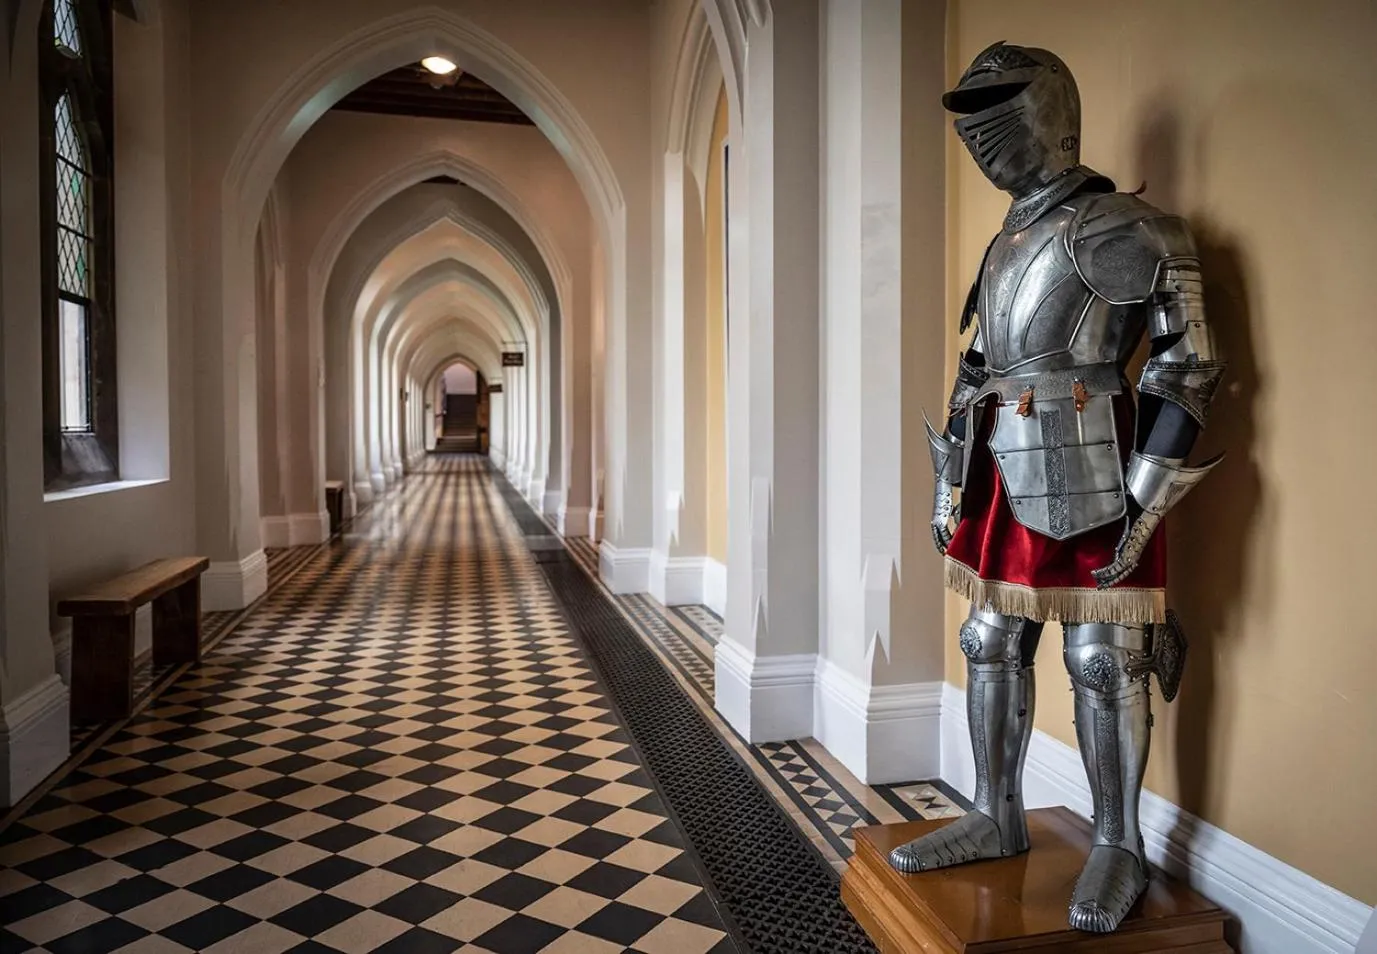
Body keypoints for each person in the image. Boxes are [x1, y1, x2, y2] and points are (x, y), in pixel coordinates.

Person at [888, 41, 1226, 934]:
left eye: (997, 104)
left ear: (1048, 108)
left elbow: (1187, 370)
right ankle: (994, 811)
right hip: (1003, 458)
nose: (979, 129)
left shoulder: (1126, 226)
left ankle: (1117, 840)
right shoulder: (1005, 241)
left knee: (1101, 654)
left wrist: (1147, 500)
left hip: (1097, 461)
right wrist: (948, 488)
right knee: (988, 634)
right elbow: (974, 372)